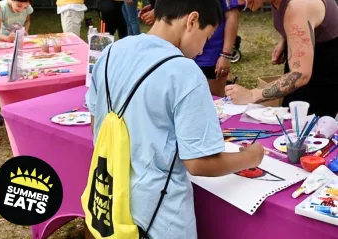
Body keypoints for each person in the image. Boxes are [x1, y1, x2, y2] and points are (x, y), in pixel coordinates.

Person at [86, 0, 264, 238]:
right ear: (192, 21)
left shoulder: (111, 51)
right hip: (159, 216)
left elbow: (95, 122)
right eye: (207, 37)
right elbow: (199, 163)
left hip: (110, 198)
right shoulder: (185, 72)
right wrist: (250, 157)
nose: (202, 50)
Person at [225, 0, 338, 117]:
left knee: (305, 125)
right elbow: (297, 22)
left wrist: (252, 95)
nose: (238, 2)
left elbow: (300, 75)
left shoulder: (298, 7)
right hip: (313, 59)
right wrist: (285, 39)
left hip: (323, 70)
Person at [194, 0, 240, 97]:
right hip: (183, 54)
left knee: (216, 102)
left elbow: (232, 17)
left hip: (212, 55)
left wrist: (225, 55)